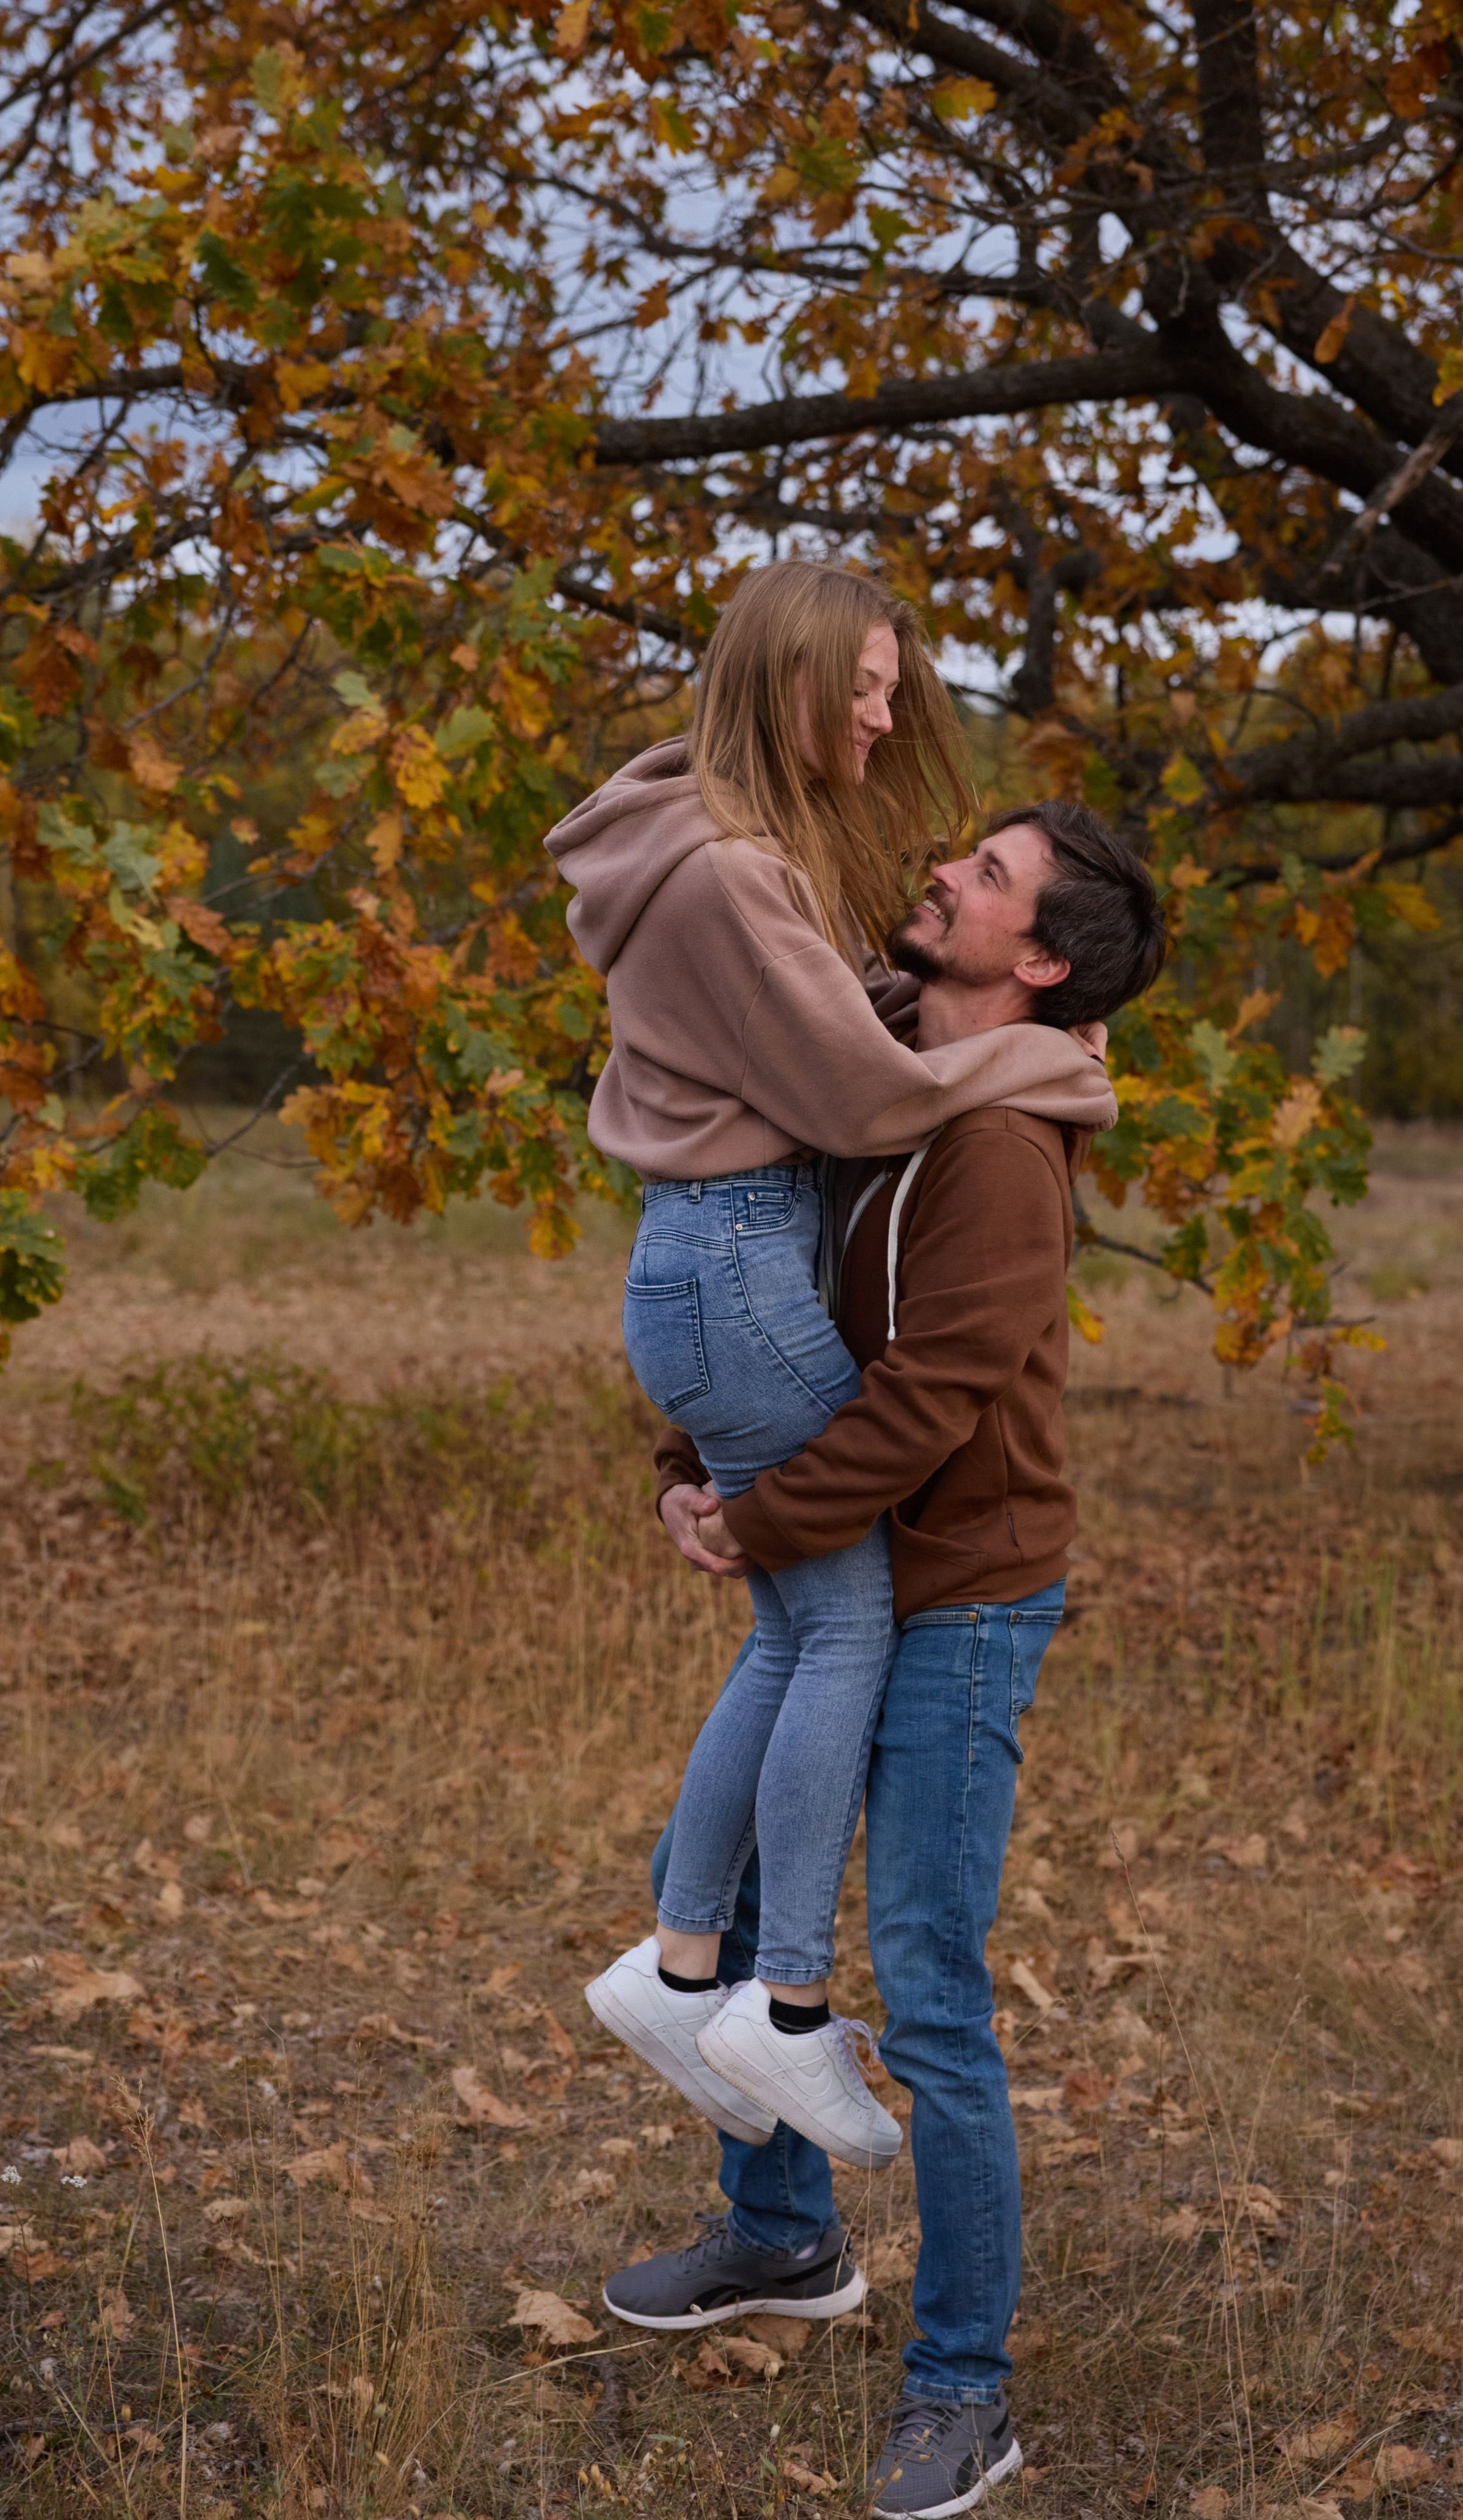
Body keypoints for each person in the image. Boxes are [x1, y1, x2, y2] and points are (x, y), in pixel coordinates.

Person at [601, 799, 1168, 2520]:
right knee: (718, 1898)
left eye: (987, 877)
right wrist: (698, 1460)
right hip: (840, 1562)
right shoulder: (864, 1065)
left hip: (960, 1599)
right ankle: (781, 2238)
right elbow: (761, 1279)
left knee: (925, 1985)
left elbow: (934, 1392)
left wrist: (763, 1521)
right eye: (963, 853)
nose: (944, 873)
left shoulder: (994, 1144)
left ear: (1043, 962)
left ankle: (962, 2388)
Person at [543, 563, 1118, 2169]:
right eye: (862, 685)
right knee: (838, 1625)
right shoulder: (732, 870)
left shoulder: (694, 836)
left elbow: (824, 1035)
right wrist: (1046, 1061)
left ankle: (681, 1969)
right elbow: (863, 1096)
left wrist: (710, 1472)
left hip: (713, 1261)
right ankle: (775, 2002)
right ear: (790, 679)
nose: (881, 716)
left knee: (796, 1633)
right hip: (731, 1256)